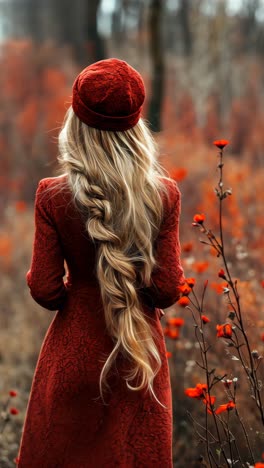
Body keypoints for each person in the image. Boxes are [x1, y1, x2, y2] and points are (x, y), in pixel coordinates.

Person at [17, 58, 185, 468]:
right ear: (137, 128)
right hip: (138, 357)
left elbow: (45, 289)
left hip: (73, 354)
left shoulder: (52, 195)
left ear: (76, 121)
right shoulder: (163, 195)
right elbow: (165, 291)